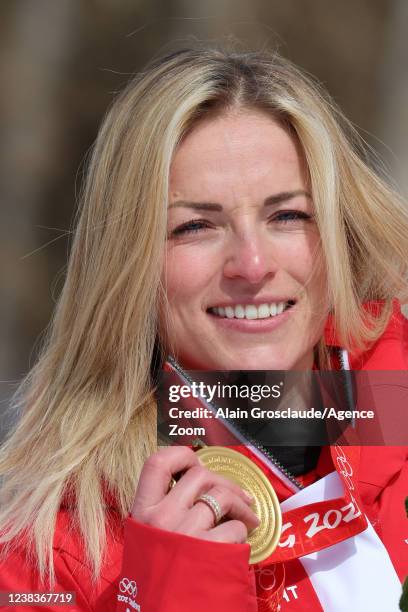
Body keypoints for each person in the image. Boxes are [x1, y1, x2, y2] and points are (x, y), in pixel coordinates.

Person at [0, 45, 407, 612]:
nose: (254, 265)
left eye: (287, 215)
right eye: (195, 226)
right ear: (130, 264)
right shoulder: (51, 560)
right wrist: (169, 591)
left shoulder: (398, 415)